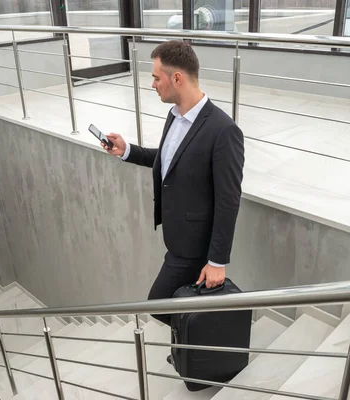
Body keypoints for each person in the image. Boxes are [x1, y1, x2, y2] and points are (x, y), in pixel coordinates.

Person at [102, 40, 245, 327]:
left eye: (156, 77)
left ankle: (198, 346)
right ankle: (190, 352)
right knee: (182, 304)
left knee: (159, 305)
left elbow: (228, 200)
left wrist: (217, 261)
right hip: (177, 238)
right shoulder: (175, 116)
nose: (152, 84)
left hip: (195, 248)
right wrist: (128, 150)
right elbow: (169, 159)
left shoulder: (224, 131)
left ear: (176, 78)